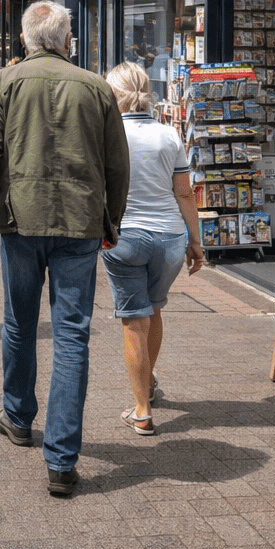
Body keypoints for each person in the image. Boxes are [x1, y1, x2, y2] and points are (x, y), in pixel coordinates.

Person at [0, 1, 128, 499]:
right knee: (72, 335)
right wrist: (111, 221)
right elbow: (118, 166)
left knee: (19, 321)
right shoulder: (97, 88)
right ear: (63, 38)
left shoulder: (1, 84)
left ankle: (18, 416)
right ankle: (61, 461)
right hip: (79, 225)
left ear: (24, 38)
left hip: (21, 219)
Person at [100, 63, 204, 437]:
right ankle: (149, 383)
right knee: (153, 310)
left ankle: (142, 409)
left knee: (134, 321)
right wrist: (196, 241)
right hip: (170, 239)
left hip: (124, 237)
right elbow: (184, 193)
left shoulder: (107, 134)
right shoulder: (169, 134)